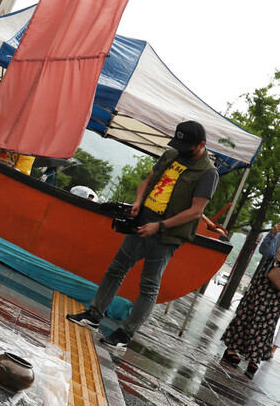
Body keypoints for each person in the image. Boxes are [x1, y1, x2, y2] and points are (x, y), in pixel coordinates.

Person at [67, 120, 219, 352]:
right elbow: (147, 182)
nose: (181, 149)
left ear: (201, 145)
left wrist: (159, 226)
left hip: (166, 234)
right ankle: (94, 314)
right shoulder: (171, 155)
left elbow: (195, 211)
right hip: (142, 222)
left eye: (186, 146)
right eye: (178, 143)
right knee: (116, 269)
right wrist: (138, 202)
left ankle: (125, 333)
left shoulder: (208, 173)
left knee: (149, 285)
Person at [220, 221, 280, 378]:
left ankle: (254, 357)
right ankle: (232, 349)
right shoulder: (279, 234)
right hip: (266, 280)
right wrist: (273, 234)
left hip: (278, 291)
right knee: (250, 313)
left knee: (268, 321)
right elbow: (265, 252)